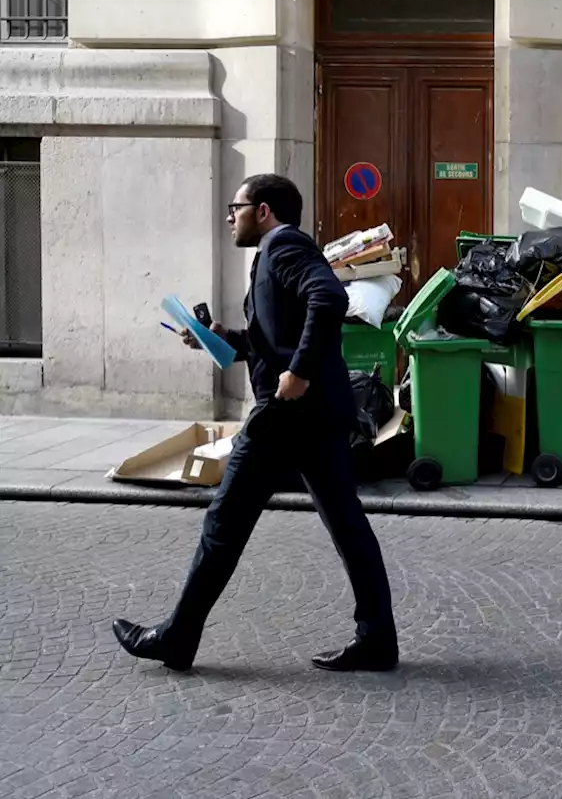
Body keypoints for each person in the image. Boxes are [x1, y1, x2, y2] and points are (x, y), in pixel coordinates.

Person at [112, 174, 399, 672]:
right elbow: (279, 335)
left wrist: (300, 373)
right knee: (347, 525)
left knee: (223, 524)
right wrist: (226, 338)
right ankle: (377, 638)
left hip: (287, 415)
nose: (229, 216)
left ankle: (178, 638)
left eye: (236, 207)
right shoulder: (271, 255)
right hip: (315, 416)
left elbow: (328, 297)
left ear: (262, 210)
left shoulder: (284, 244)